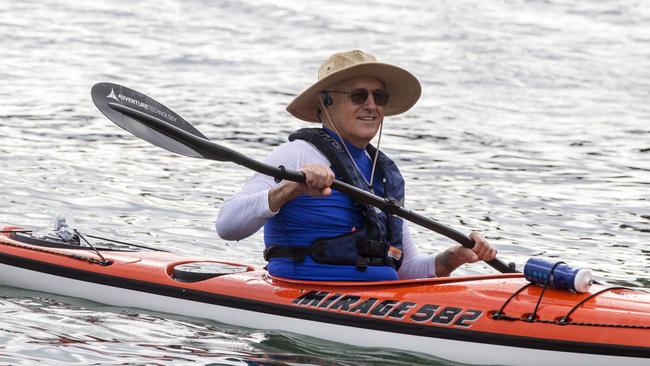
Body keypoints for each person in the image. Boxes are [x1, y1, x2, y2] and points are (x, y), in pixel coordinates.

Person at [216, 50, 497, 281]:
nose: (372, 105)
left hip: (378, 301)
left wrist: (453, 258)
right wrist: (290, 189)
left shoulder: (383, 174)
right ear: (325, 104)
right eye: (359, 96)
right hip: (302, 295)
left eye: (380, 97)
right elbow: (227, 225)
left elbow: (407, 270)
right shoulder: (296, 155)